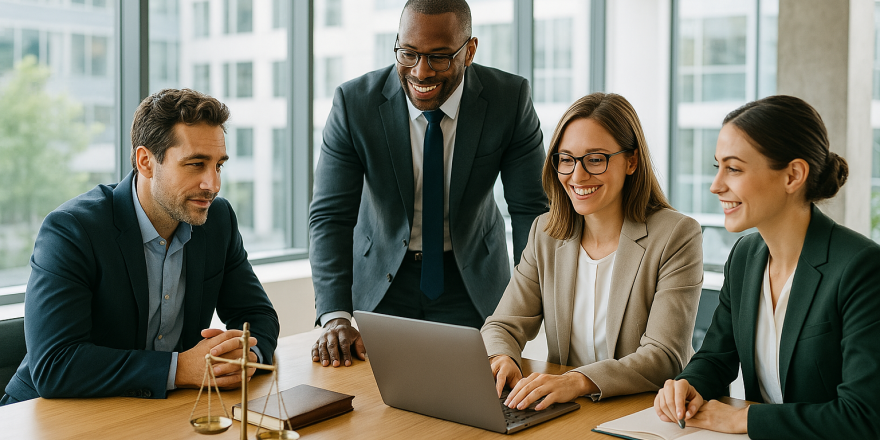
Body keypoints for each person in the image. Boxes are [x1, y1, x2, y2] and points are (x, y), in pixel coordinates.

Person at [1, 89, 279, 405]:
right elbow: (56, 365)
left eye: (218, 166)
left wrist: (243, 357)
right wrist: (180, 369)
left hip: (154, 411)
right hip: (46, 415)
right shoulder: (72, 230)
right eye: (196, 164)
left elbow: (257, 314)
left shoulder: (217, 220)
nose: (212, 184)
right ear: (145, 161)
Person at [309, 0, 547, 368]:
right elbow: (330, 216)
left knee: (473, 406)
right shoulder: (354, 103)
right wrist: (335, 314)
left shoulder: (508, 100)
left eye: (439, 57)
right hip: (382, 283)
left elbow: (531, 209)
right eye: (409, 53)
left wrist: (527, 303)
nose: (421, 72)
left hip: (471, 283)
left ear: (469, 51)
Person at [654, 95, 880, 439]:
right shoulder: (746, 256)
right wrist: (687, 385)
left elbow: (863, 416)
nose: (716, 186)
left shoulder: (860, 267)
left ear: (793, 175)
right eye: (718, 167)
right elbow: (716, 357)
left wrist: (742, 420)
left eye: (734, 168)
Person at [481, 93, 704, 411]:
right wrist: (501, 356)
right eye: (567, 159)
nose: (577, 175)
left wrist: (576, 381)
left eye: (595, 159)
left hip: (643, 411)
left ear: (631, 161)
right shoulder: (546, 232)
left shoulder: (676, 235)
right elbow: (502, 324)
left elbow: (665, 356)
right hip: (570, 411)